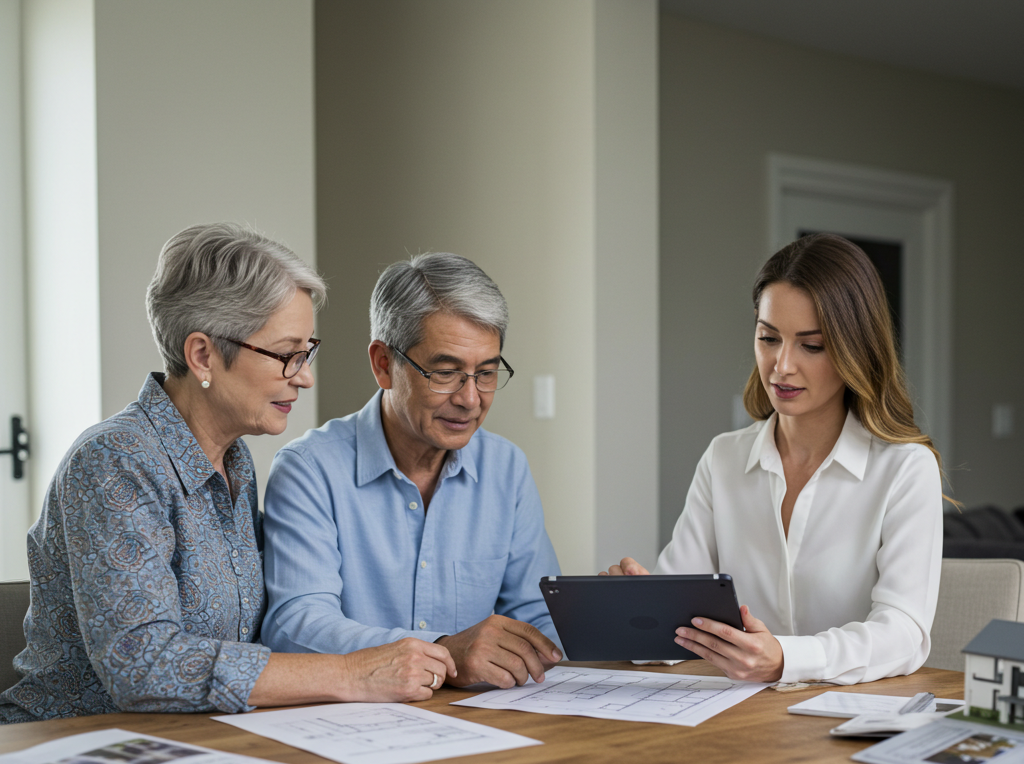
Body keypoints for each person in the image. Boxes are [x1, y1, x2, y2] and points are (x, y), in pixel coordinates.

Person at [0, 224, 454, 723]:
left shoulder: (234, 460)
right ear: (203, 355)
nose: (305, 376)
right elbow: (144, 665)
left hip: (199, 739)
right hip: (73, 743)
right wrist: (352, 673)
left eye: (307, 352)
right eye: (287, 354)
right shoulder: (114, 460)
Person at [607, 233, 944, 685]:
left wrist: (785, 658)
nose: (781, 366)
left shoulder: (906, 469)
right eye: (769, 338)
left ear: (856, 349)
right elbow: (678, 624)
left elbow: (903, 633)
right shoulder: (724, 458)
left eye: (811, 345)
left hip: (853, 716)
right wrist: (638, 612)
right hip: (740, 715)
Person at [261, 252, 562, 689]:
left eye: (486, 373)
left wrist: (617, 623)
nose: (471, 400)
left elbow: (538, 621)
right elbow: (296, 626)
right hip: (354, 722)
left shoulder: (506, 468)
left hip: (481, 721)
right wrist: (444, 650)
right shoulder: (309, 470)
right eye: (446, 372)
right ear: (383, 364)